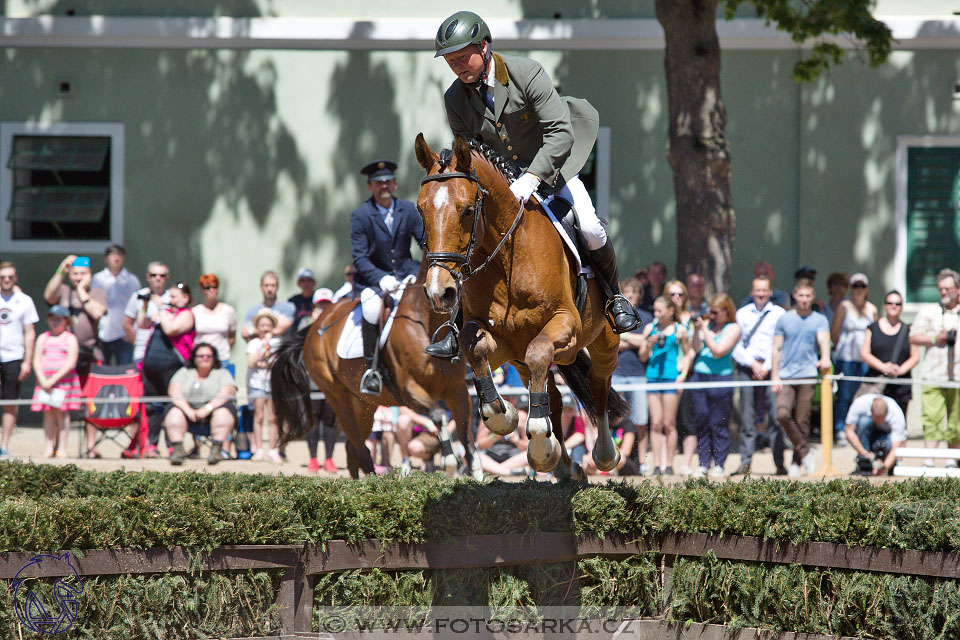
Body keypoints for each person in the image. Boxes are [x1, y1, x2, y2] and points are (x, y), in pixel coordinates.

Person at [435, 10, 639, 345]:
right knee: (469, 233)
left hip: (553, 167)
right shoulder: (454, 99)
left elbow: (559, 133)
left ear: (484, 47)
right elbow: (469, 151)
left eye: (462, 57)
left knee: (589, 226)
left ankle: (615, 297)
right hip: (501, 183)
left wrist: (531, 178)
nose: (456, 66)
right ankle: (457, 324)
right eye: (450, 60)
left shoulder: (525, 72)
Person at [349, 159, 423, 394]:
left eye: (388, 181)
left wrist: (421, 272)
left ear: (395, 183)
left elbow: (425, 242)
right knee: (371, 310)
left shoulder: (409, 209)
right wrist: (382, 278)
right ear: (369, 186)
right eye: (378, 183)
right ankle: (373, 370)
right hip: (375, 280)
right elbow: (360, 258)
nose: (384, 186)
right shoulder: (361, 215)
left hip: (408, 275)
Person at [770, 281, 832, 478]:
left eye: (808, 296)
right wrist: (774, 375)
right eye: (801, 296)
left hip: (807, 374)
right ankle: (806, 451)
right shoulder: (784, 319)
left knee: (803, 421)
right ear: (795, 296)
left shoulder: (819, 319)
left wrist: (825, 357)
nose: (804, 300)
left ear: (812, 297)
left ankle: (796, 462)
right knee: (782, 414)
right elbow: (776, 348)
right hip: (786, 375)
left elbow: (824, 341)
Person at [731, 275, 787, 476]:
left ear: (770, 292)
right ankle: (745, 463)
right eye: (758, 290)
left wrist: (768, 367)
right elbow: (735, 345)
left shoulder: (780, 314)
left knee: (776, 418)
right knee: (747, 418)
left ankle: (780, 464)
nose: (761, 294)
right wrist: (753, 364)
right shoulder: (742, 314)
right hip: (748, 368)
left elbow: (782, 344)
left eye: (765, 290)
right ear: (752, 292)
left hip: (773, 371)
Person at [637, 295, 694, 476]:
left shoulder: (680, 330)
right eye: (655, 310)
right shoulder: (650, 328)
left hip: (671, 378)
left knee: (669, 423)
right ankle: (657, 464)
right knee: (655, 423)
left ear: (670, 311)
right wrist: (648, 343)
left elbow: (688, 354)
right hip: (653, 378)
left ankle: (669, 464)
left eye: (660, 310)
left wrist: (683, 375)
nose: (656, 314)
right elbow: (643, 357)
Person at [910, 268, 960, 466]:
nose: (943, 292)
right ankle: (929, 458)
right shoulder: (929, 311)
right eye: (940, 289)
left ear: (958, 290)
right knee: (931, 417)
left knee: (957, 419)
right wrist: (934, 338)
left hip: (957, 376)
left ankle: (953, 459)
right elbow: (913, 336)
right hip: (933, 374)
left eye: (947, 288)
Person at [140, 282, 195, 458]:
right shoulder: (164, 313)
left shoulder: (186, 314)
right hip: (150, 370)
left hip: (174, 370)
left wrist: (162, 309)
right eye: (168, 296)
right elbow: (142, 324)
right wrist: (146, 306)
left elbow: (171, 329)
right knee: (153, 407)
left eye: (173, 297)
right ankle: (151, 445)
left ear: (185, 298)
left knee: (172, 405)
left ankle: (174, 445)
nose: (169, 300)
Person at [689, 294, 741, 478]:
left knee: (719, 422)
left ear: (726, 311)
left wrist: (704, 329)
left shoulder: (733, 328)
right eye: (709, 311)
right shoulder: (708, 326)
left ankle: (719, 463)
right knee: (702, 420)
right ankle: (703, 463)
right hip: (699, 376)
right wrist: (697, 330)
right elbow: (695, 349)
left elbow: (718, 351)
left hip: (721, 378)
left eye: (715, 312)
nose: (711, 315)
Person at [165, 342, 238, 466]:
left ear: (214, 358)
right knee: (174, 412)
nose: (205, 358)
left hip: (213, 412)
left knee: (224, 412)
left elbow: (227, 392)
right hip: (188, 412)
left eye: (209, 356)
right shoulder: (184, 372)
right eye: (201, 356)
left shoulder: (222, 373)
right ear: (194, 358)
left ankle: (216, 450)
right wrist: (188, 410)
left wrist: (207, 409)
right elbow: (174, 391)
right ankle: (178, 450)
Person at [830, 272, 878, 445]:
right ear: (851, 288)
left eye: (862, 286)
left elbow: (874, 333)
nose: (859, 290)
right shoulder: (844, 306)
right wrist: (841, 347)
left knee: (863, 395)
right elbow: (834, 332)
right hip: (846, 358)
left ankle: (859, 428)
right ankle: (840, 428)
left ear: (866, 289)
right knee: (843, 395)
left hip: (865, 359)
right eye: (855, 286)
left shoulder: (872, 309)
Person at [612, 277, 653, 474]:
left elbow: (646, 349)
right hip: (616, 374)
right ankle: (617, 459)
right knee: (616, 419)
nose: (629, 295)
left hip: (638, 375)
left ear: (639, 296)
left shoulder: (646, 317)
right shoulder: (614, 316)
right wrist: (634, 340)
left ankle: (642, 460)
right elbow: (612, 343)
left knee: (640, 421)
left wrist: (624, 338)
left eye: (634, 292)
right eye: (626, 292)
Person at [42, 255, 107, 378]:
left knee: (88, 396)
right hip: (63, 354)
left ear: (90, 274)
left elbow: (97, 313)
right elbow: (49, 297)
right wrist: (61, 271)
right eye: (75, 274)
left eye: (83, 273)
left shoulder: (97, 293)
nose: (78, 277)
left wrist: (81, 290)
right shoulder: (63, 290)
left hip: (89, 355)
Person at [30, 306, 81, 458]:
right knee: (48, 415)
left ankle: (62, 448)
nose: (55, 322)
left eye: (58, 319)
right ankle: (48, 448)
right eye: (52, 319)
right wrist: (44, 380)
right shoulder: (43, 338)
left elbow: (71, 363)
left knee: (62, 415)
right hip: (45, 384)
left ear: (66, 321)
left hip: (63, 383)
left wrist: (53, 380)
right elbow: (36, 361)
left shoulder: (70, 338)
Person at [859, 289, 918, 416]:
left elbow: (915, 356)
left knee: (899, 425)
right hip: (877, 384)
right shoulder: (872, 328)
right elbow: (864, 353)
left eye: (897, 304)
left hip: (901, 386)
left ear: (902, 307)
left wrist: (900, 370)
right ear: (885, 305)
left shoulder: (908, 329)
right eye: (890, 303)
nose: (894, 306)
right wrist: (883, 367)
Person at [0, 262, 38, 458]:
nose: (6, 280)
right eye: (2, 276)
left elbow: (29, 333)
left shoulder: (24, 301)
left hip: (14, 356)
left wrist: (27, 360)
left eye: (10, 277)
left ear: (16, 279)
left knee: (10, 402)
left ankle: (4, 445)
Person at [665, 279, 698, 475]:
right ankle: (666, 464)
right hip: (665, 374)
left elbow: (693, 349)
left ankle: (686, 464)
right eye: (672, 294)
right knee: (667, 422)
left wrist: (683, 369)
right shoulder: (662, 318)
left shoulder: (689, 318)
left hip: (686, 374)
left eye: (680, 294)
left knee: (687, 420)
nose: (677, 298)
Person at [91, 244, 140, 365]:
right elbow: (93, 305)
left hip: (124, 335)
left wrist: (133, 333)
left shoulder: (132, 280)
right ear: (106, 258)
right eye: (113, 255)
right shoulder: (98, 279)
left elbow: (137, 308)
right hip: (103, 333)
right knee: (103, 371)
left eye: (119, 255)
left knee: (124, 371)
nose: (116, 258)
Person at [246, 308, 281, 463]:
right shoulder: (253, 343)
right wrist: (264, 346)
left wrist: (264, 361)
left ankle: (273, 449)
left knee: (273, 417)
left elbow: (277, 364)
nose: (265, 328)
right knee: (258, 416)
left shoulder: (278, 343)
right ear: (257, 327)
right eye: (262, 325)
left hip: (273, 384)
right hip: (258, 384)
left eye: (268, 325)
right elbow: (252, 362)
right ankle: (259, 449)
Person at [844, 394, 907, 476]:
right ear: (871, 411)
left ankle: (887, 461)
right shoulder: (860, 403)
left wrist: (884, 468)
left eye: (881, 419)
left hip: (886, 438)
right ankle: (864, 463)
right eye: (876, 418)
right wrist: (865, 454)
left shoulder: (896, 413)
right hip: (867, 437)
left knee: (890, 441)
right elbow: (849, 431)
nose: (879, 422)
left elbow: (896, 447)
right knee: (864, 422)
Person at [124, 262, 170, 364]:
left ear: (167, 277)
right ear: (148, 277)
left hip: (166, 351)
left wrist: (160, 306)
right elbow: (127, 324)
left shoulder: (172, 298)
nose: (158, 278)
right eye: (154, 275)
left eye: (162, 275)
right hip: (142, 353)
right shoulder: (139, 296)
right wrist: (137, 341)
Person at [192, 274, 237, 376]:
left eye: (215, 287)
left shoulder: (228, 310)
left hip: (222, 359)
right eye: (207, 287)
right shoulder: (195, 312)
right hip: (201, 360)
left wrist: (223, 351)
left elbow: (232, 336)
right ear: (202, 290)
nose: (211, 290)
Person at [241, 271, 295, 341]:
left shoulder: (288, 307)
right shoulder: (253, 311)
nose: (269, 289)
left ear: (277, 287)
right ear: (261, 287)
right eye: (266, 285)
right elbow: (245, 333)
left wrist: (255, 331)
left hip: (282, 350)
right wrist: (268, 331)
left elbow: (279, 329)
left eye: (273, 285)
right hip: (259, 351)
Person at [288, 267, 317, 332]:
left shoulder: (318, 299)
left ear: (314, 283)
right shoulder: (293, 301)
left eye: (309, 280)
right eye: (303, 280)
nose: (306, 283)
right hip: (297, 337)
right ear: (298, 283)